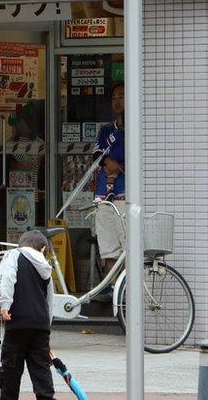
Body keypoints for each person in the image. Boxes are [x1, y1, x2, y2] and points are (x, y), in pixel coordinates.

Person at [0, 230, 56, 400]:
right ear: (43, 249)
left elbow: (7, 278)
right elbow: (50, 300)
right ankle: (46, 397)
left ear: (21, 245)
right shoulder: (46, 267)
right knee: (41, 368)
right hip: (40, 326)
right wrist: (47, 325)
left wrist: (5, 305)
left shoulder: (13, 255)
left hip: (17, 322)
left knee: (11, 369)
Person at [93, 83, 125, 299]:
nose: (117, 101)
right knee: (108, 245)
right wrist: (107, 161)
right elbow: (96, 154)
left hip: (125, 195)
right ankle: (113, 285)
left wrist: (116, 164)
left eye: (122, 96)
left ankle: (125, 286)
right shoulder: (106, 130)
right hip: (105, 195)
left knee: (127, 243)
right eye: (114, 97)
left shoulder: (136, 128)